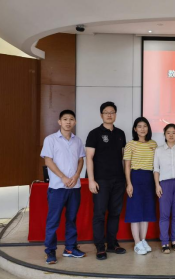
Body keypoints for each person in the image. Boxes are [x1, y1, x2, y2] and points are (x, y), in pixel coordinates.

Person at [40, 110, 86, 265]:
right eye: (65, 119)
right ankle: (50, 251)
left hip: (75, 187)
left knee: (71, 219)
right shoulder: (51, 139)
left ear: (75, 122)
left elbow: (81, 160)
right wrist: (63, 177)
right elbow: (48, 161)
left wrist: (76, 176)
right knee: (53, 220)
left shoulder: (77, 141)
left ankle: (70, 248)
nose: (68, 122)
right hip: (57, 187)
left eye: (71, 119)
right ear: (59, 122)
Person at [86, 102, 127, 260]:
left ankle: (112, 243)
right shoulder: (94, 134)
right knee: (99, 214)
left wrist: (126, 180)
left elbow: (124, 158)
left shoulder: (120, 133)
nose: (109, 115)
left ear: (115, 114)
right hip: (101, 180)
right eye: (106, 112)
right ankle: (100, 246)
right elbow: (89, 158)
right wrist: (91, 180)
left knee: (115, 213)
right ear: (101, 115)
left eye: (112, 112)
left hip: (118, 180)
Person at [123, 117, 158, 255]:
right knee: (135, 211)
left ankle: (143, 240)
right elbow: (127, 166)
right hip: (135, 178)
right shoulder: (130, 144)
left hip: (149, 178)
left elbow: (156, 164)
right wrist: (129, 183)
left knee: (146, 211)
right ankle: (137, 242)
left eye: (145, 126)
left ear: (148, 128)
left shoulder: (153, 144)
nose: (142, 129)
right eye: (139, 126)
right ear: (135, 129)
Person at [154, 124, 175, 254]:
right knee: (164, 214)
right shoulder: (159, 150)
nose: (171, 135)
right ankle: (164, 242)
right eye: (168, 132)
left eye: (174, 132)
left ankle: (174, 240)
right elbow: (156, 169)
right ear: (164, 134)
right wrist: (157, 185)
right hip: (164, 184)